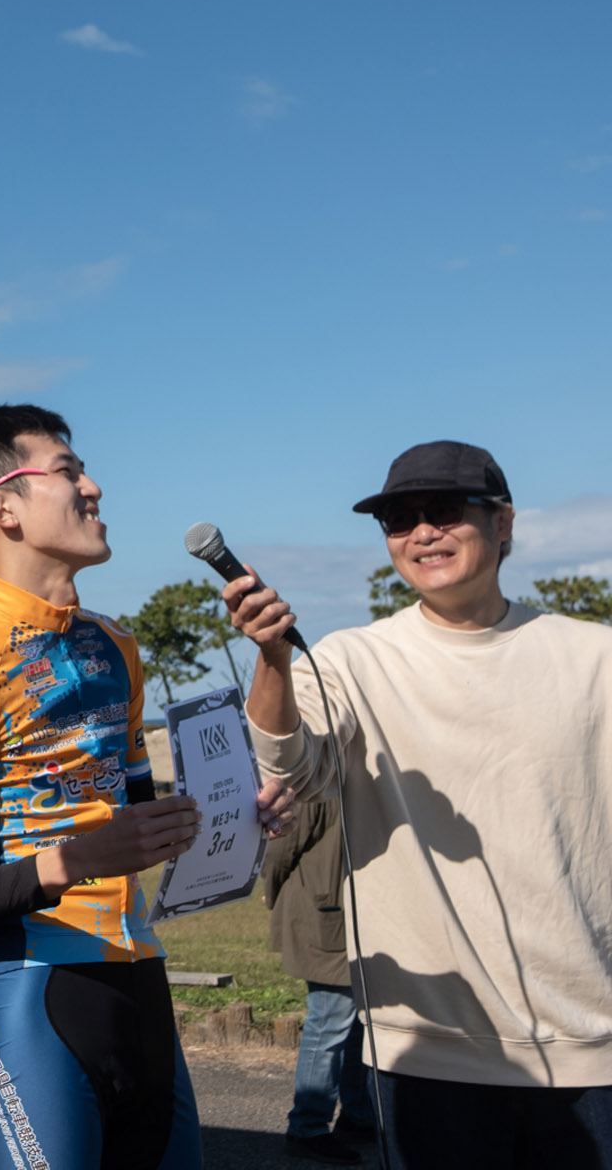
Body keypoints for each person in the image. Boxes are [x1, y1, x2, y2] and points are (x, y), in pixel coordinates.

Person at [0, 403, 293, 1170]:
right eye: (68, 471)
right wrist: (76, 860)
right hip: (32, 997)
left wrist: (233, 811)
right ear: (2, 508)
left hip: (141, 985)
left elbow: (143, 823)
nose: (94, 487)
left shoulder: (115, 645)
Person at [223, 439, 612, 1169]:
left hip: (590, 1044)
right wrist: (272, 658)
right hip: (425, 1048)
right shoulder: (350, 659)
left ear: (504, 522)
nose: (422, 532)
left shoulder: (596, 657)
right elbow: (290, 762)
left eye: (444, 510)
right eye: (399, 519)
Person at [262, 799, 375, 1164]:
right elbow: (281, 846)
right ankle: (307, 1127)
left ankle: (358, 1115)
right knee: (330, 1021)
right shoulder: (319, 781)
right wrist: (272, 890)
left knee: (356, 1022)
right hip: (325, 912)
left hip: (354, 913)